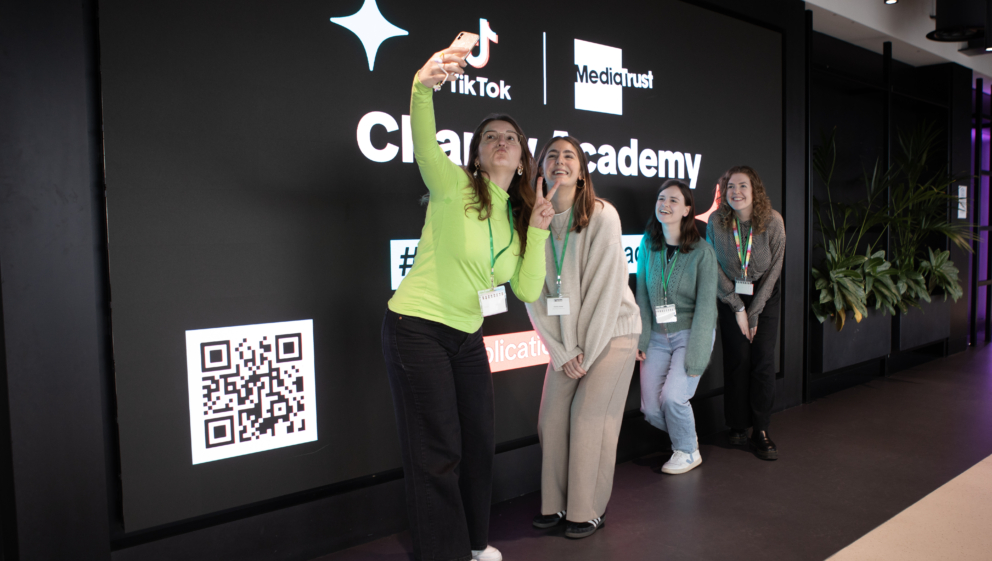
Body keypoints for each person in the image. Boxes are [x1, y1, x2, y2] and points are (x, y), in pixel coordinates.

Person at [381, 46, 556, 561]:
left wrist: (541, 232)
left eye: (510, 138)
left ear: (523, 156)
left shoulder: (518, 217)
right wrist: (422, 84)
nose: (500, 142)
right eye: (489, 138)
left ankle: (475, 546)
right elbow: (423, 140)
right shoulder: (451, 183)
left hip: (466, 336)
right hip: (417, 328)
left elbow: (524, 289)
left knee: (478, 445)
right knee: (437, 454)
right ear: (476, 153)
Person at [525, 136, 641, 539]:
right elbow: (533, 296)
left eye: (569, 156)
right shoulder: (532, 220)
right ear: (540, 168)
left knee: (589, 418)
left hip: (612, 334)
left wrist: (584, 353)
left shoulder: (602, 215)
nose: (560, 161)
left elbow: (605, 292)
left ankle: (587, 509)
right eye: (552, 156)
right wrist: (561, 351)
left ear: (582, 170)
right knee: (551, 419)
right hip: (569, 346)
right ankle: (555, 505)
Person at [636, 179, 718, 475]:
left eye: (673, 200)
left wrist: (697, 356)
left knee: (673, 397)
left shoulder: (702, 252)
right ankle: (685, 438)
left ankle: (687, 450)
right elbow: (642, 296)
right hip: (657, 336)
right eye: (661, 199)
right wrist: (642, 339)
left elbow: (707, 307)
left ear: (687, 210)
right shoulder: (648, 244)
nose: (665, 205)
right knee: (650, 408)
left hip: (690, 333)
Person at [706, 166, 785, 461]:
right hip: (729, 294)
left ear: (755, 191)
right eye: (730, 187)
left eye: (742, 186)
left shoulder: (773, 222)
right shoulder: (716, 222)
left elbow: (775, 268)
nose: (736, 192)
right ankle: (737, 424)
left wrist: (754, 312)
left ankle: (761, 430)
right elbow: (712, 266)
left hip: (765, 291)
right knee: (738, 359)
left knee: (762, 360)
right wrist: (737, 306)